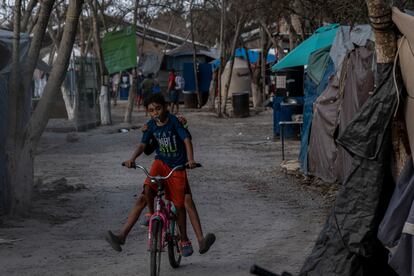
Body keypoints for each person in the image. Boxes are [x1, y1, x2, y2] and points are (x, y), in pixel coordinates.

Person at [105, 94, 215, 257]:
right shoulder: (150, 126)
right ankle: (130, 229)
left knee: (180, 205)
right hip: (160, 163)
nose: (155, 112)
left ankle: (185, 239)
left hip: (177, 166)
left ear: (165, 107)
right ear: (148, 113)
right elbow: (143, 145)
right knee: (146, 191)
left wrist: (190, 160)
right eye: (151, 110)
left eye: (158, 108)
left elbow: (186, 140)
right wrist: (132, 159)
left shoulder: (175, 122)